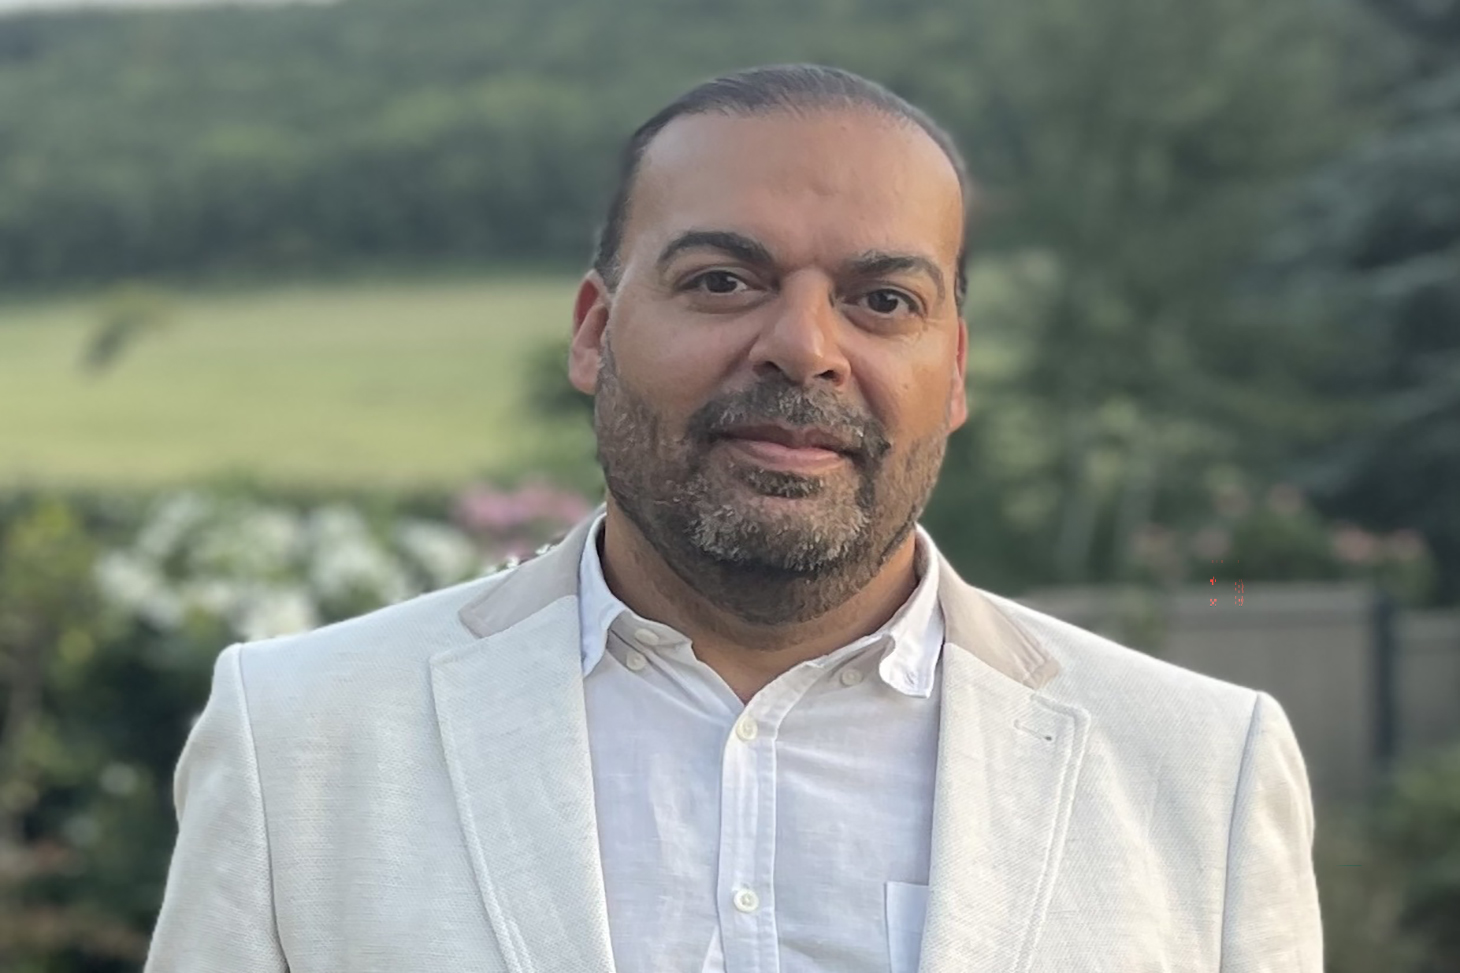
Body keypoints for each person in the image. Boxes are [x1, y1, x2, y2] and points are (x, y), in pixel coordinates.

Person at [142, 63, 1322, 973]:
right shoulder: (300, 738)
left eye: (881, 299)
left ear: (954, 371)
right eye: (721, 281)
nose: (804, 347)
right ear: (595, 332)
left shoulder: (1197, 772)